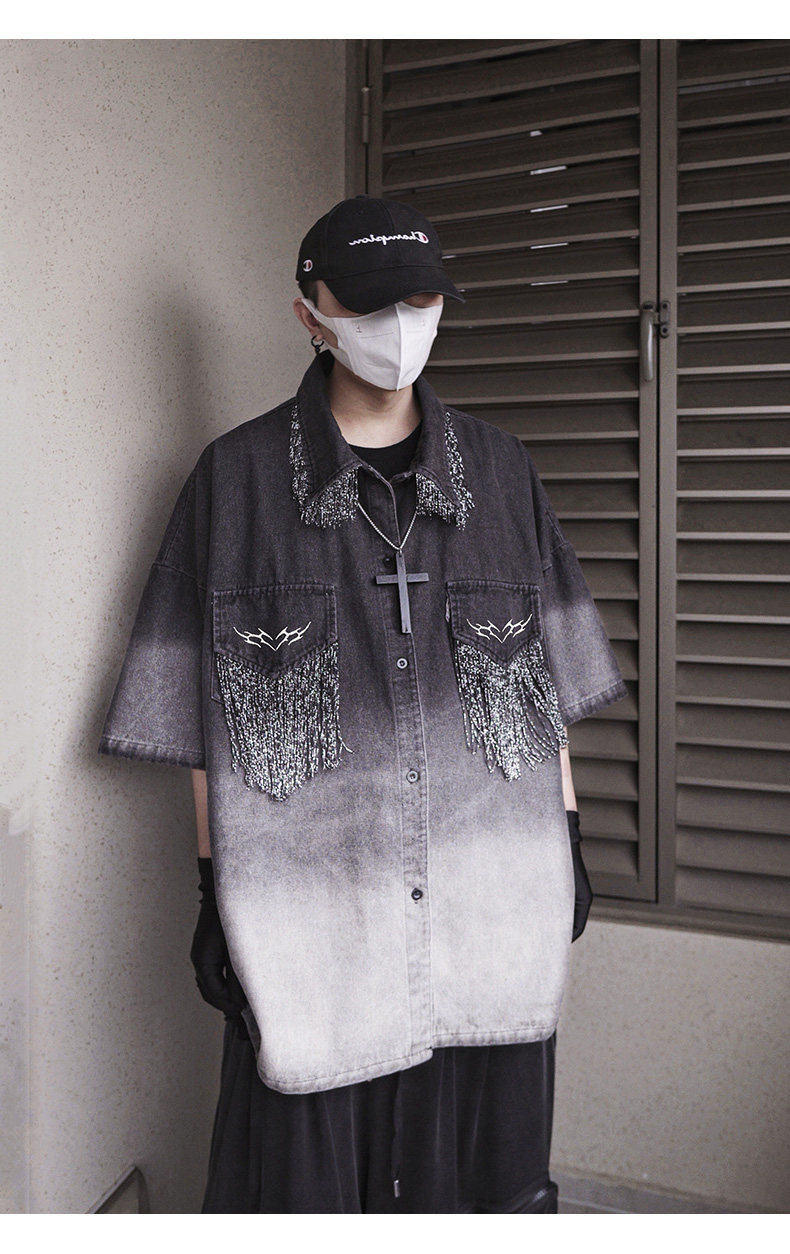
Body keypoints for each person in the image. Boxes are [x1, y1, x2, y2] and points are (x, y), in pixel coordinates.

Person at [98, 194, 625, 1213]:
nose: (401, 325)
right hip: (308, 918)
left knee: (485, 1187)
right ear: (311, 314)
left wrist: (568, 835)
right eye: (373, 303)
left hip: (491, 900)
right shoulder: (235, 483)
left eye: (421, 300)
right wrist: (212, 891)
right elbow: (203, 723)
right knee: (302, 1186)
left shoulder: (502, 472)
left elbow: (545, 688)